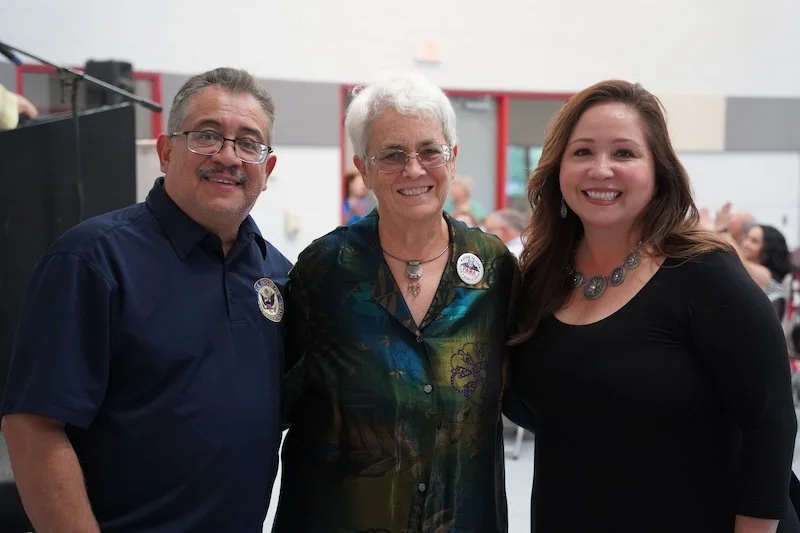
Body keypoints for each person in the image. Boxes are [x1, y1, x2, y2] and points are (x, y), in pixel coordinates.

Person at [1, 67, 291, 533]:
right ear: (165, 150)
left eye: (248, 143)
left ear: (267, 168)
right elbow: (32, 427)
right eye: (207, 136)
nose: (228, 156)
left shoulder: (279, 276)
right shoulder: (91, 260)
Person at [510, 80, 798, 533]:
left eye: (624, 153)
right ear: (557, 169)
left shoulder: (705, 274)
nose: (601, 169)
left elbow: (771, 422)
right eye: (582, 152)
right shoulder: (538, 279)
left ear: (658, 171)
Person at [274, 73, 519, 532]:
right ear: (363, 168)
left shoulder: (492, 268)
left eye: (430, 150)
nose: (414, 169)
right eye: (391, 154)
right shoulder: (325, 270)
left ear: (453, 158)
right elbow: (276, 399)